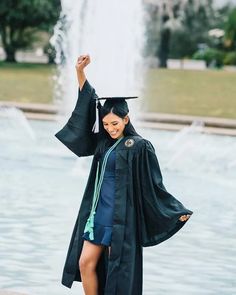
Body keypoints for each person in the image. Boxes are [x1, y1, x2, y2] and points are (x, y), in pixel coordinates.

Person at [55, 54, 193, 295]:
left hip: (120, 217)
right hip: (97, 215)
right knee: (85, 262)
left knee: (116, 272)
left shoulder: (138, 146)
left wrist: (173, 211)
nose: (110, 128)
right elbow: (88, 101)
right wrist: (80, 73)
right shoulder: (104, 142)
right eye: (106, 124)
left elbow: (153, 184)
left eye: (115, 123)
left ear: (126, 119)